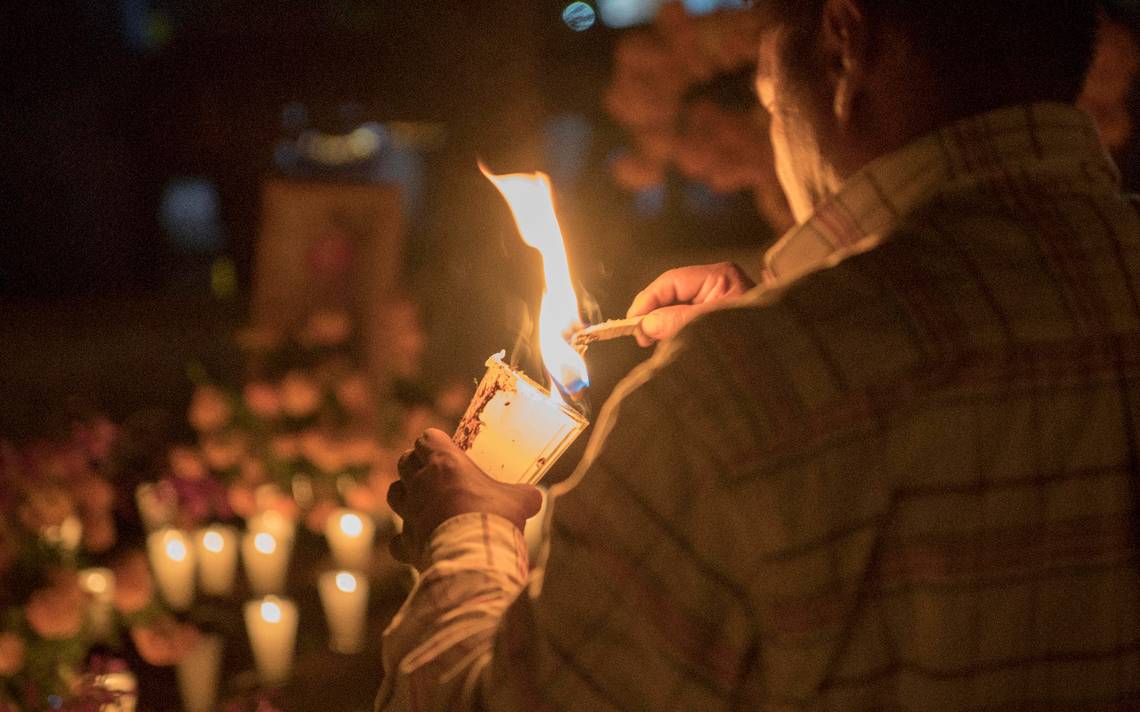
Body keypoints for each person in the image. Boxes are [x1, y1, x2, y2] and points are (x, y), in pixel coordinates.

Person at [379, 1, 1140, 709]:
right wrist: (790, 321)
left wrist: (467, 528)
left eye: (772, 105)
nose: (776, 143)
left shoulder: (725, 401)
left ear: (842, 49)